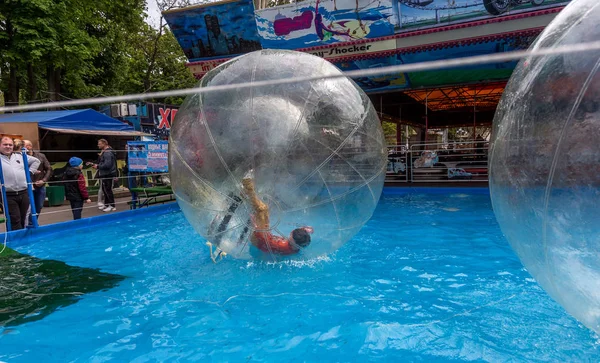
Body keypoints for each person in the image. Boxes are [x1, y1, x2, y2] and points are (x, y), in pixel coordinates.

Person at [241, 177, 313, 255]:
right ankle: (247, 194)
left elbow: (264, 238)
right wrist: (304, 229)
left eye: (291, 235)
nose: (290, 234)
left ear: (293, 241)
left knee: (261, 210)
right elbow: (298, 235)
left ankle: (248, 189)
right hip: (267, 236)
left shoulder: (282, 245)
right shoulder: (300, 244)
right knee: (265, 208)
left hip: (258, 240)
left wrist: (256, 226)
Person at [0, 136, 40, 230]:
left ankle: (22, 240)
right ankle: (16, 241)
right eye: (5, 144)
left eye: (10, 145)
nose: (8, 146)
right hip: (8, 194)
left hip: (23, 192)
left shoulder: (20, 156)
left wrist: (29, 173)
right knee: (14, 218)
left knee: (23, 217)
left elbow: (36, 161)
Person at [23, 140, 52, 225]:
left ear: (29, 146)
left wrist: (44, 180)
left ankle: (32, 222)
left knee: (38, 206)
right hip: (27, 186)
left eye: (24, 146)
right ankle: (31, 224)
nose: (23, 148)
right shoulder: (21, 157)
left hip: (40, 185)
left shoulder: (41, 156)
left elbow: (49, 169)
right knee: (28, 207)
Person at [91, 139, 117, 212]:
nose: (98, 145)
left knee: (108, 190)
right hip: (105, 173)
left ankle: (111, 205)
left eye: (99, 144)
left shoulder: (107, 153)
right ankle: (107, 204)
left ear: (104, 144)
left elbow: (108, 164)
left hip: (108, 173)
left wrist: (98, 166)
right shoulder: (105, 152)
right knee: (105, 190)